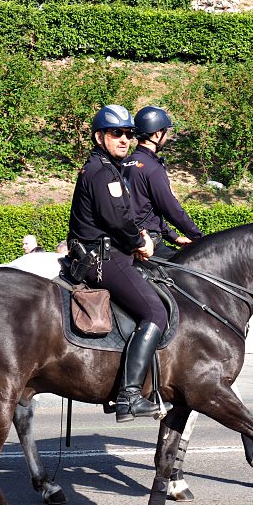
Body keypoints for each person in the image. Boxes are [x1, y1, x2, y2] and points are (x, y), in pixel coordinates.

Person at [67, 104, 167, 422]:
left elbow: (123, 216)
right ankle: (130, 395)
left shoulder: (109, 168)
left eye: (128, 134)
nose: (124, 139)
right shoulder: (102, 172)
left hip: (106, 253)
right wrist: (140, 242)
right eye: (116, 133)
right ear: (100, 137)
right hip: (104, 260)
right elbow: (116, 219)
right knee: (155, 312)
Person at [123, 106, 203, 259]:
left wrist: (174, 237)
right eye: (165, 132)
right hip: (149, 243)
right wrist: (199, 237)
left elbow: (145, 211)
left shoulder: (125, 163)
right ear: (158, 133)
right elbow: (171, 209)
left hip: (129, 239)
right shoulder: (153, 168)